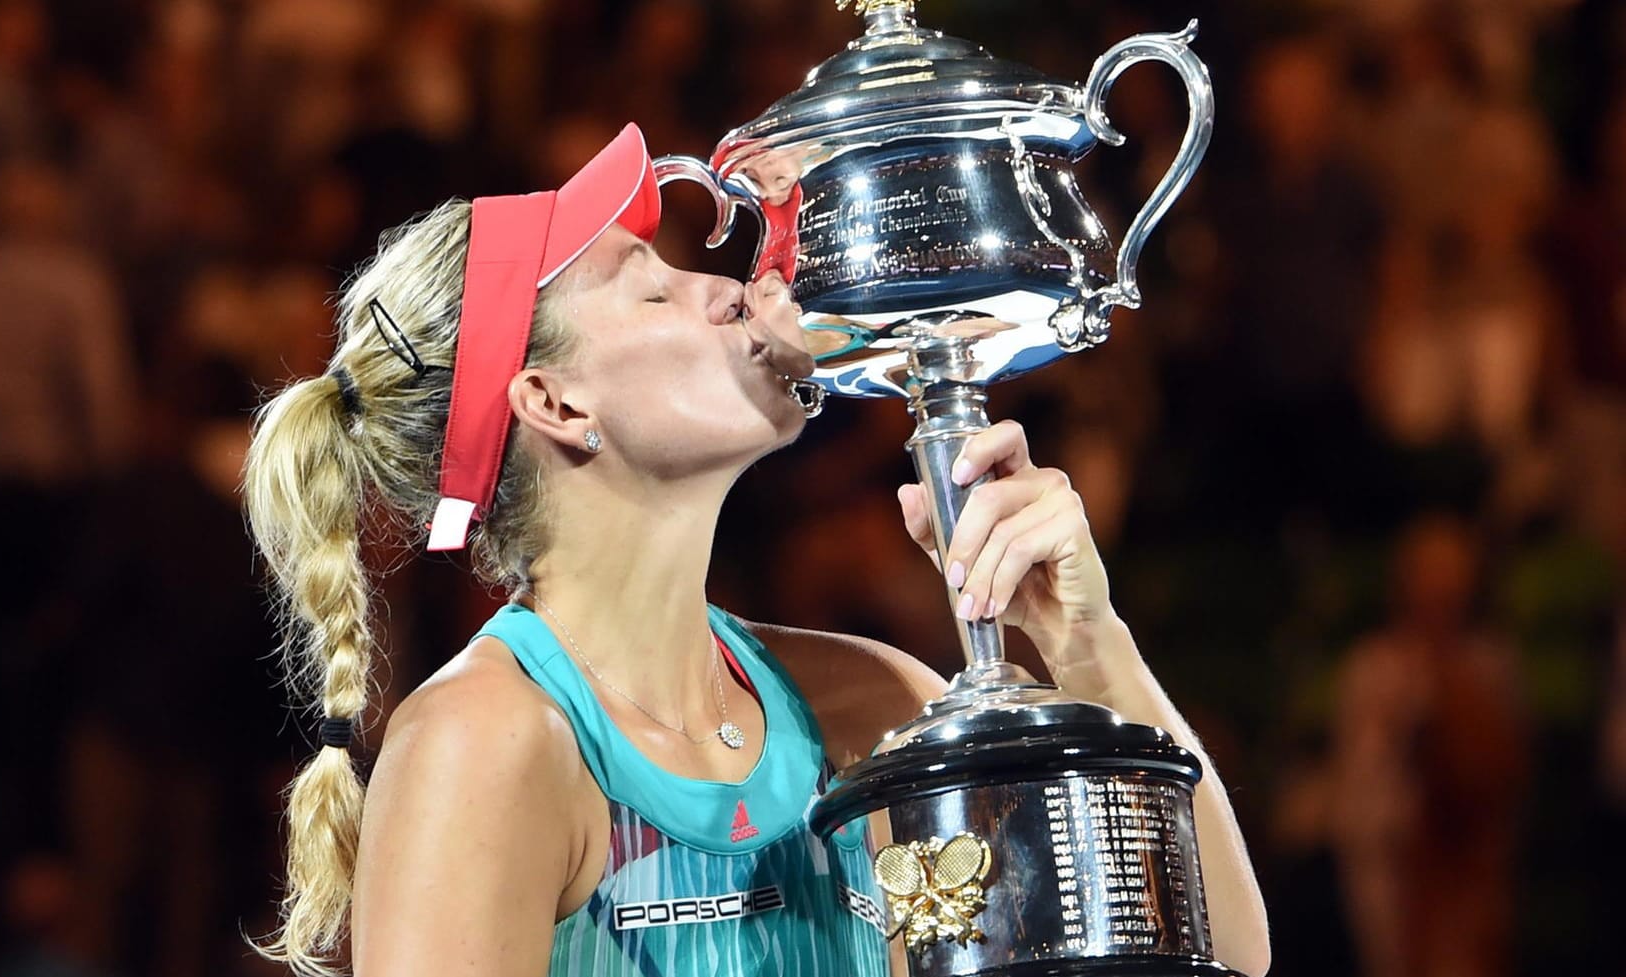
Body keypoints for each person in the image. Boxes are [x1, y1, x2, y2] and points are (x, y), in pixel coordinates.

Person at [242, 124, 1272, 977]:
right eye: (651, 288)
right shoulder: (485, 745)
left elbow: (1219, 945)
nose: (728, 289)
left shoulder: (868, 701)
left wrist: (1086, 641)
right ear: (554, 402)